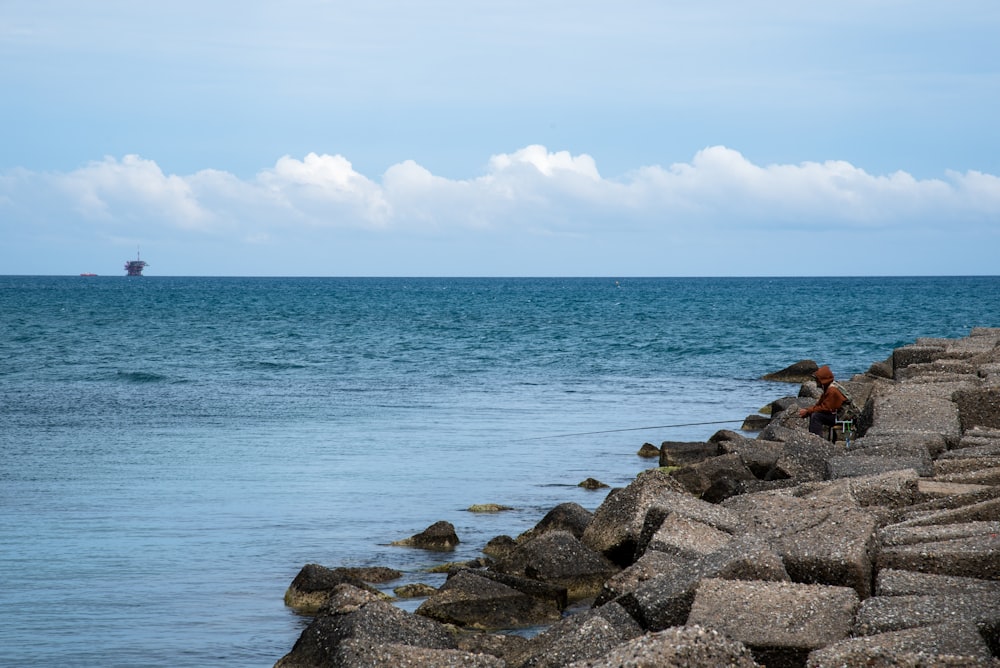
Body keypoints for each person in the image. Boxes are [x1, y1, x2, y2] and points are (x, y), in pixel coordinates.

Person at [797, 365, 846, 437]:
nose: (816, 381)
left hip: (841, 416)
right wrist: (807, 410)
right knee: (814, 413)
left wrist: (808, 411)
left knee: (816, 416)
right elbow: (819, 405)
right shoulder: (827, 388)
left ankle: (816, 438)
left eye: (817, 379)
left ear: (822, 380)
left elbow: (826, 408)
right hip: (835, 414)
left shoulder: (832, 390)